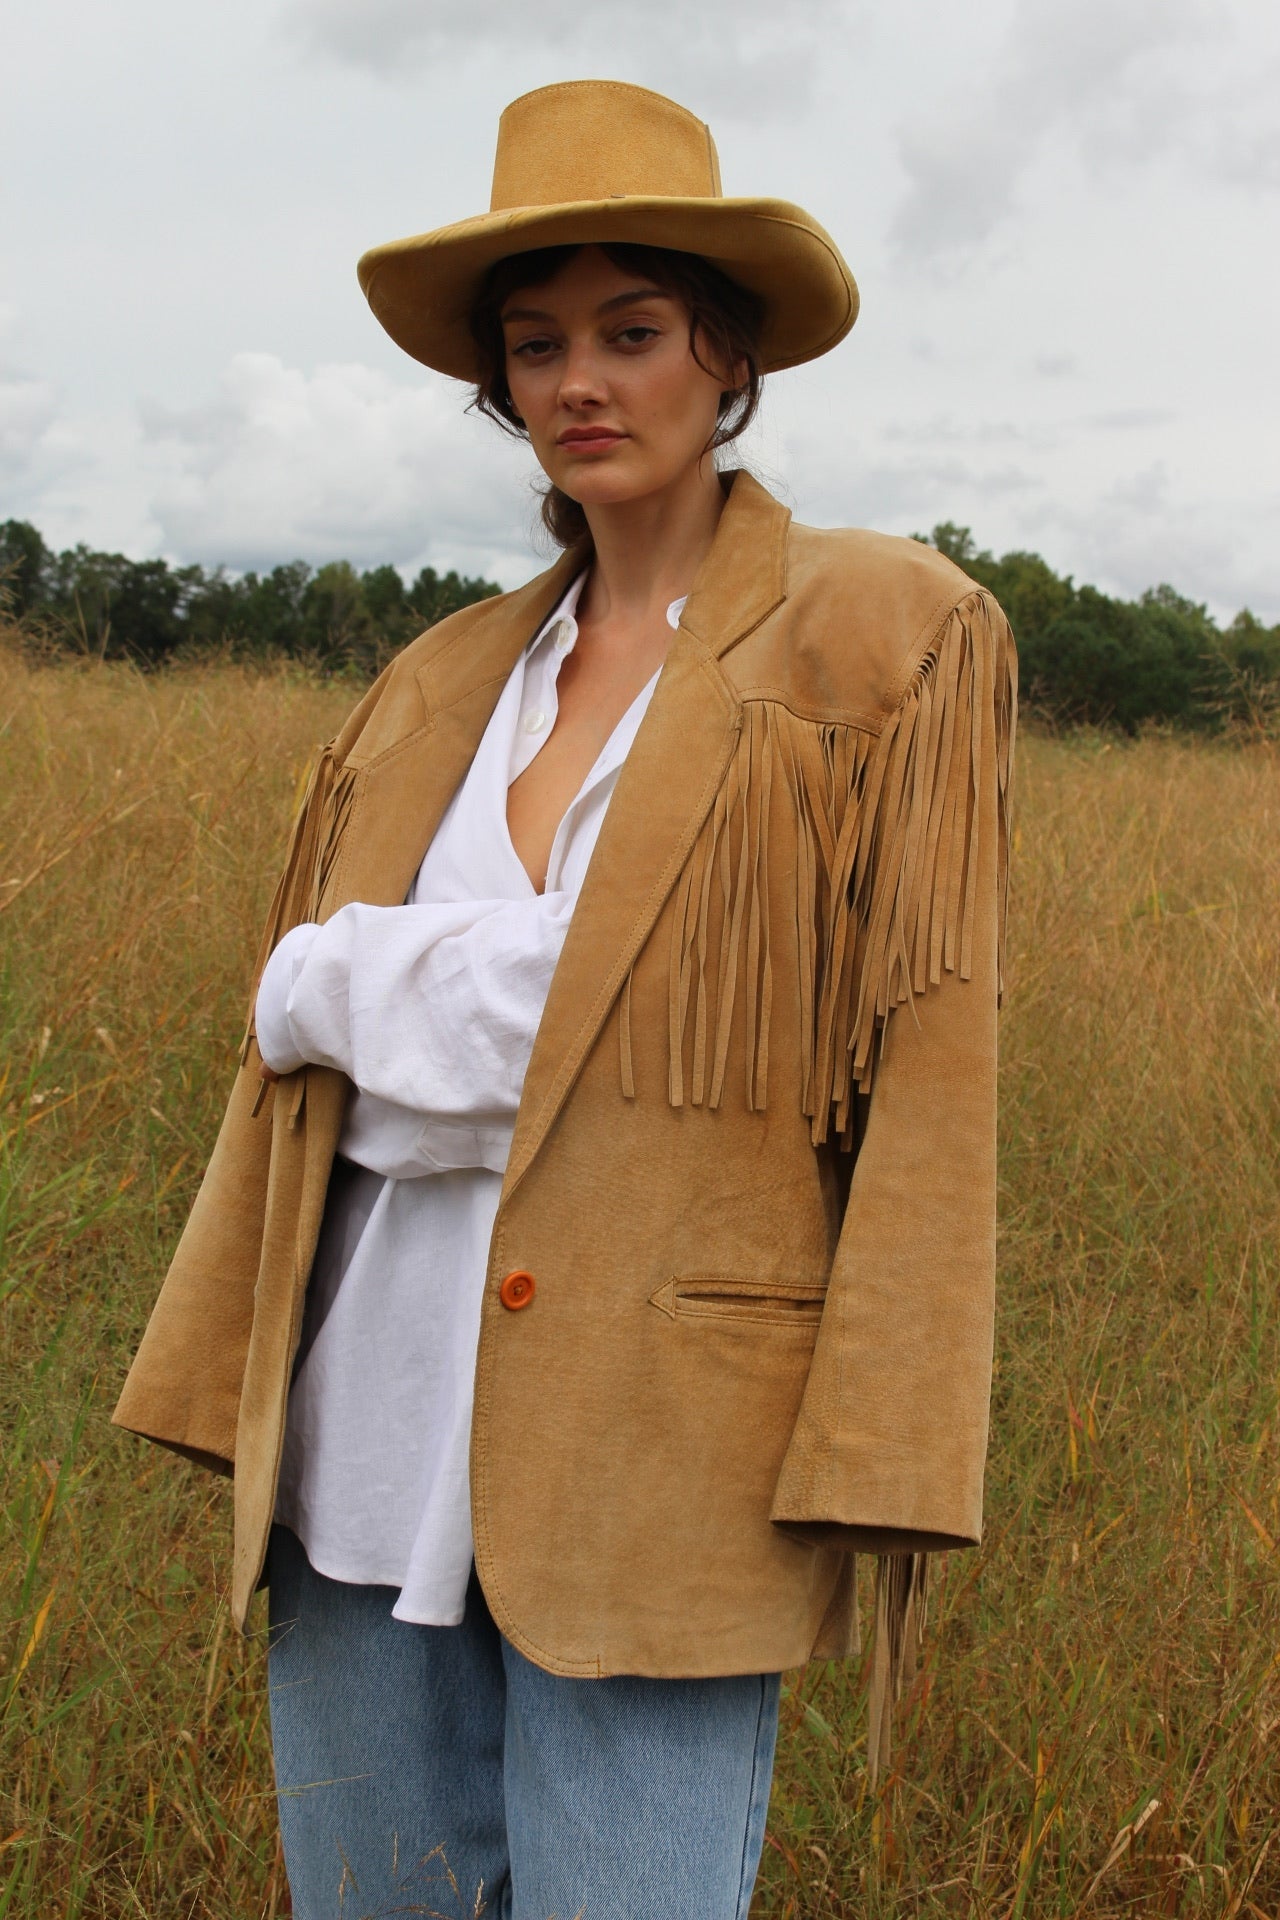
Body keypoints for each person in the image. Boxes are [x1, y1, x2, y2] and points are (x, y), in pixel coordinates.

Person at [114, 78, 1017, 1920]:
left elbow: (915, 1060)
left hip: (672, 1452)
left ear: (729, 356)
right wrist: (389, 1005)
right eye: (537, 346)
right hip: (364, 1417)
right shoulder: (438, 678)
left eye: (632, 333)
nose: (579, 382)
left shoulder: (888, 635)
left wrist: (366, 990)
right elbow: (308, 1047)